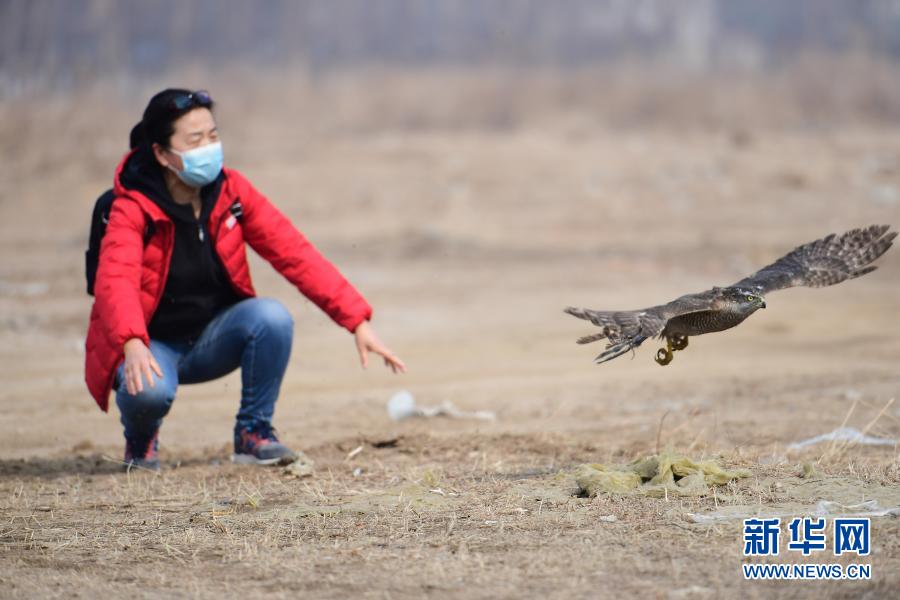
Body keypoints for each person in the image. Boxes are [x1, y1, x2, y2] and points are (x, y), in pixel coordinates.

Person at [85, 88, 405, 470]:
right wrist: (131, 341)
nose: (209, 147)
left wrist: (356, 320)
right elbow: (114, 280)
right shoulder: (131, 207)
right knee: (149, 392)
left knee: (271, 317)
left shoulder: (231, 191)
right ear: (161, 153)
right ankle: (140, 440)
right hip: (149, 347)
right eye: (194, 140)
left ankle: (253, 433)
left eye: (213, 136)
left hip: (212, 340)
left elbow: (294, 252)